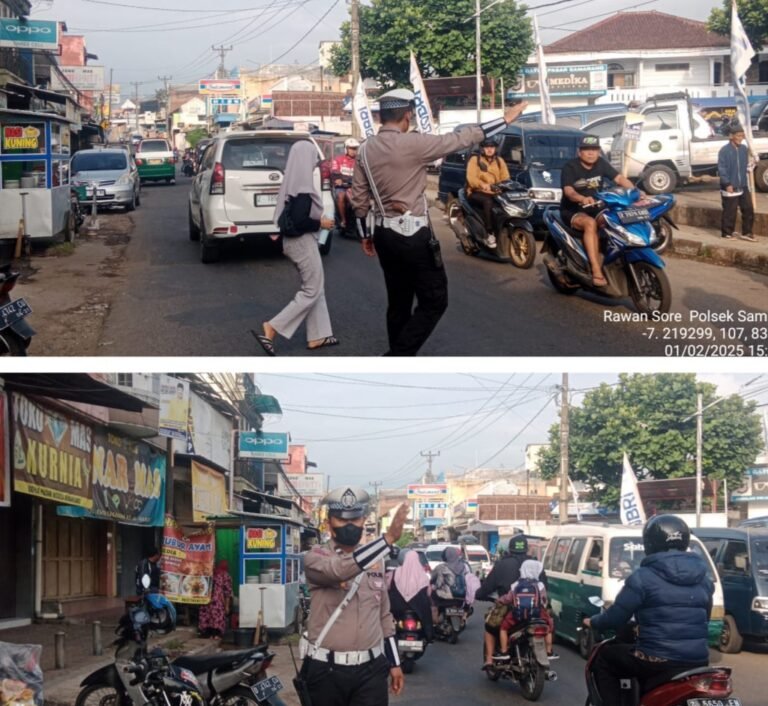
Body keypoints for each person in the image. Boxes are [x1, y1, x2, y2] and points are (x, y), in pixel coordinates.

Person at [350, 90, 528, 356]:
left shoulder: (364, 150)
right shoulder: (414, 144)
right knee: (434, 300)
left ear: (382, 116)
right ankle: (397, 356)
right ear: (407, 115)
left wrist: (366, 235)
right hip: (413, 236)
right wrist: (505, 119)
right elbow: (461, 138)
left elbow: (359, 200)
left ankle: (399, 355)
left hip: (384, 235)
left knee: (398, 302)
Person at [582, 515, 714, 705]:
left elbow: (615, 618)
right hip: (699, 660)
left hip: (657, 660)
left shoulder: (642, 577)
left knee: (604, 658)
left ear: (650, 543)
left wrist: (593, 621)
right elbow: (705, 618)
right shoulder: (704, 579)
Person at [302, 488, 410, 706]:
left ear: (363, 521)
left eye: (356, 518)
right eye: (341, 519)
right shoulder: (316, 557)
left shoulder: (376, 562)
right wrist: (387, 539)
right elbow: (340, 570)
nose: (349, 525)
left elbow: (384, 615)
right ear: (329, 523)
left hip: (370, 672)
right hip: (326, 671)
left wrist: (394, 663)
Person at [253, 141, 338, 356]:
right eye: (312, 159)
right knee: (311, 290)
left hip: (293, 243)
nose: (315, 164)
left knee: (316, 286)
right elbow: (300, 222)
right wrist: (321, 223)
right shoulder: (302, 190)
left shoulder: (292, 184)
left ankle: (319, 335)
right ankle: (272, 327)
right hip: (302, 242)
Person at [560, 134, 642, 287]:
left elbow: (619, 179)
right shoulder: (570, 167)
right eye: (587, 149)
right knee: (590, 224)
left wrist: (637, 192)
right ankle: (596, 268)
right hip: (572, 209)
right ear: (580, 152)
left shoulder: (601, 164)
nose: (591, 153)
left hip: (596, 206)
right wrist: (581, 198)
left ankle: (614, 256)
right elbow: (569, 191)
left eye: (594, 149)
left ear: (599, 152)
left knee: (614, 219)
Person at [477, 536, 546, 666]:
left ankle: (490, 660)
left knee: (489, 626)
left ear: (509, 549)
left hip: (509, 608)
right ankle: (548, 650)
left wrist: (479, 594)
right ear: (527, 549)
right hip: (536, 608)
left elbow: (487, 587)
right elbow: (545, 587)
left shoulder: (502, 565)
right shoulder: (536, 565)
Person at [493, 559, 556, 663]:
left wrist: (499, 600)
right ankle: (549, 651)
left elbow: (508, 599)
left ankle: (504, 651)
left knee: (503, 628)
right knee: (548, 628)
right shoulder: (540, 585)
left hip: (517, 616)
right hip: (537, 615)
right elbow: (544, 601)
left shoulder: (516, 584)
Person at [465, 137, 510, 248]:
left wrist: (504, 185)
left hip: (495, 192)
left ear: (495, 149)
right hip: (476, 191)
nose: (489, 149)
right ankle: (489, 234)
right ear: (482, 149)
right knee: (488, 202)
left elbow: (506, 177)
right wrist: (482, 184)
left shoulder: (500, 161)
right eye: (487, 147)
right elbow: (471, 178)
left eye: (492, 147)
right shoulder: (475, 160)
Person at [718, 124, 755, 241]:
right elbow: (722, 168)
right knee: (730, 211)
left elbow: (746, 164)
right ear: (731, 136)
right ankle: (727, 233)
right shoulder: (724, 151)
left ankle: (747, 232)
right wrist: (727, 183)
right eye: (738, 135)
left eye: (742, 136)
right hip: (730, 185)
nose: (741, 138)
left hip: (743, 184)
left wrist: (750, 165)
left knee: (748, 208)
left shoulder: (744, 149)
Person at [387, 549, 434, 642]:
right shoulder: (423, 576)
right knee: (427, 618)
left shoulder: (394, 573)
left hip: (397, 608)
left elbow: (386, 587)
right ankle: (429, 637)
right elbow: (429, 593)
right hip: (418, 609)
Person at [198, 560, 233, 640]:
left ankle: (208, 635)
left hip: (206, 599)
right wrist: (227, 606)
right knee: (217, 618)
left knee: (207, 617)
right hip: (217, 601)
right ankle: (216, 635)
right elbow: (227, 592)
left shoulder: (211, 573)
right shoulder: (226, 575)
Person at [332, 138, 360, 231]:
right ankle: (343, 220)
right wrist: (339, 179)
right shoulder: (338, 160)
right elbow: (335, 173)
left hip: (355, 186)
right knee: (341, 196)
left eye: (355, 148)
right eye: (351, 148)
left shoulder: (360, 161)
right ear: (346, 149)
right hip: (342, 187)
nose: (353, 151)